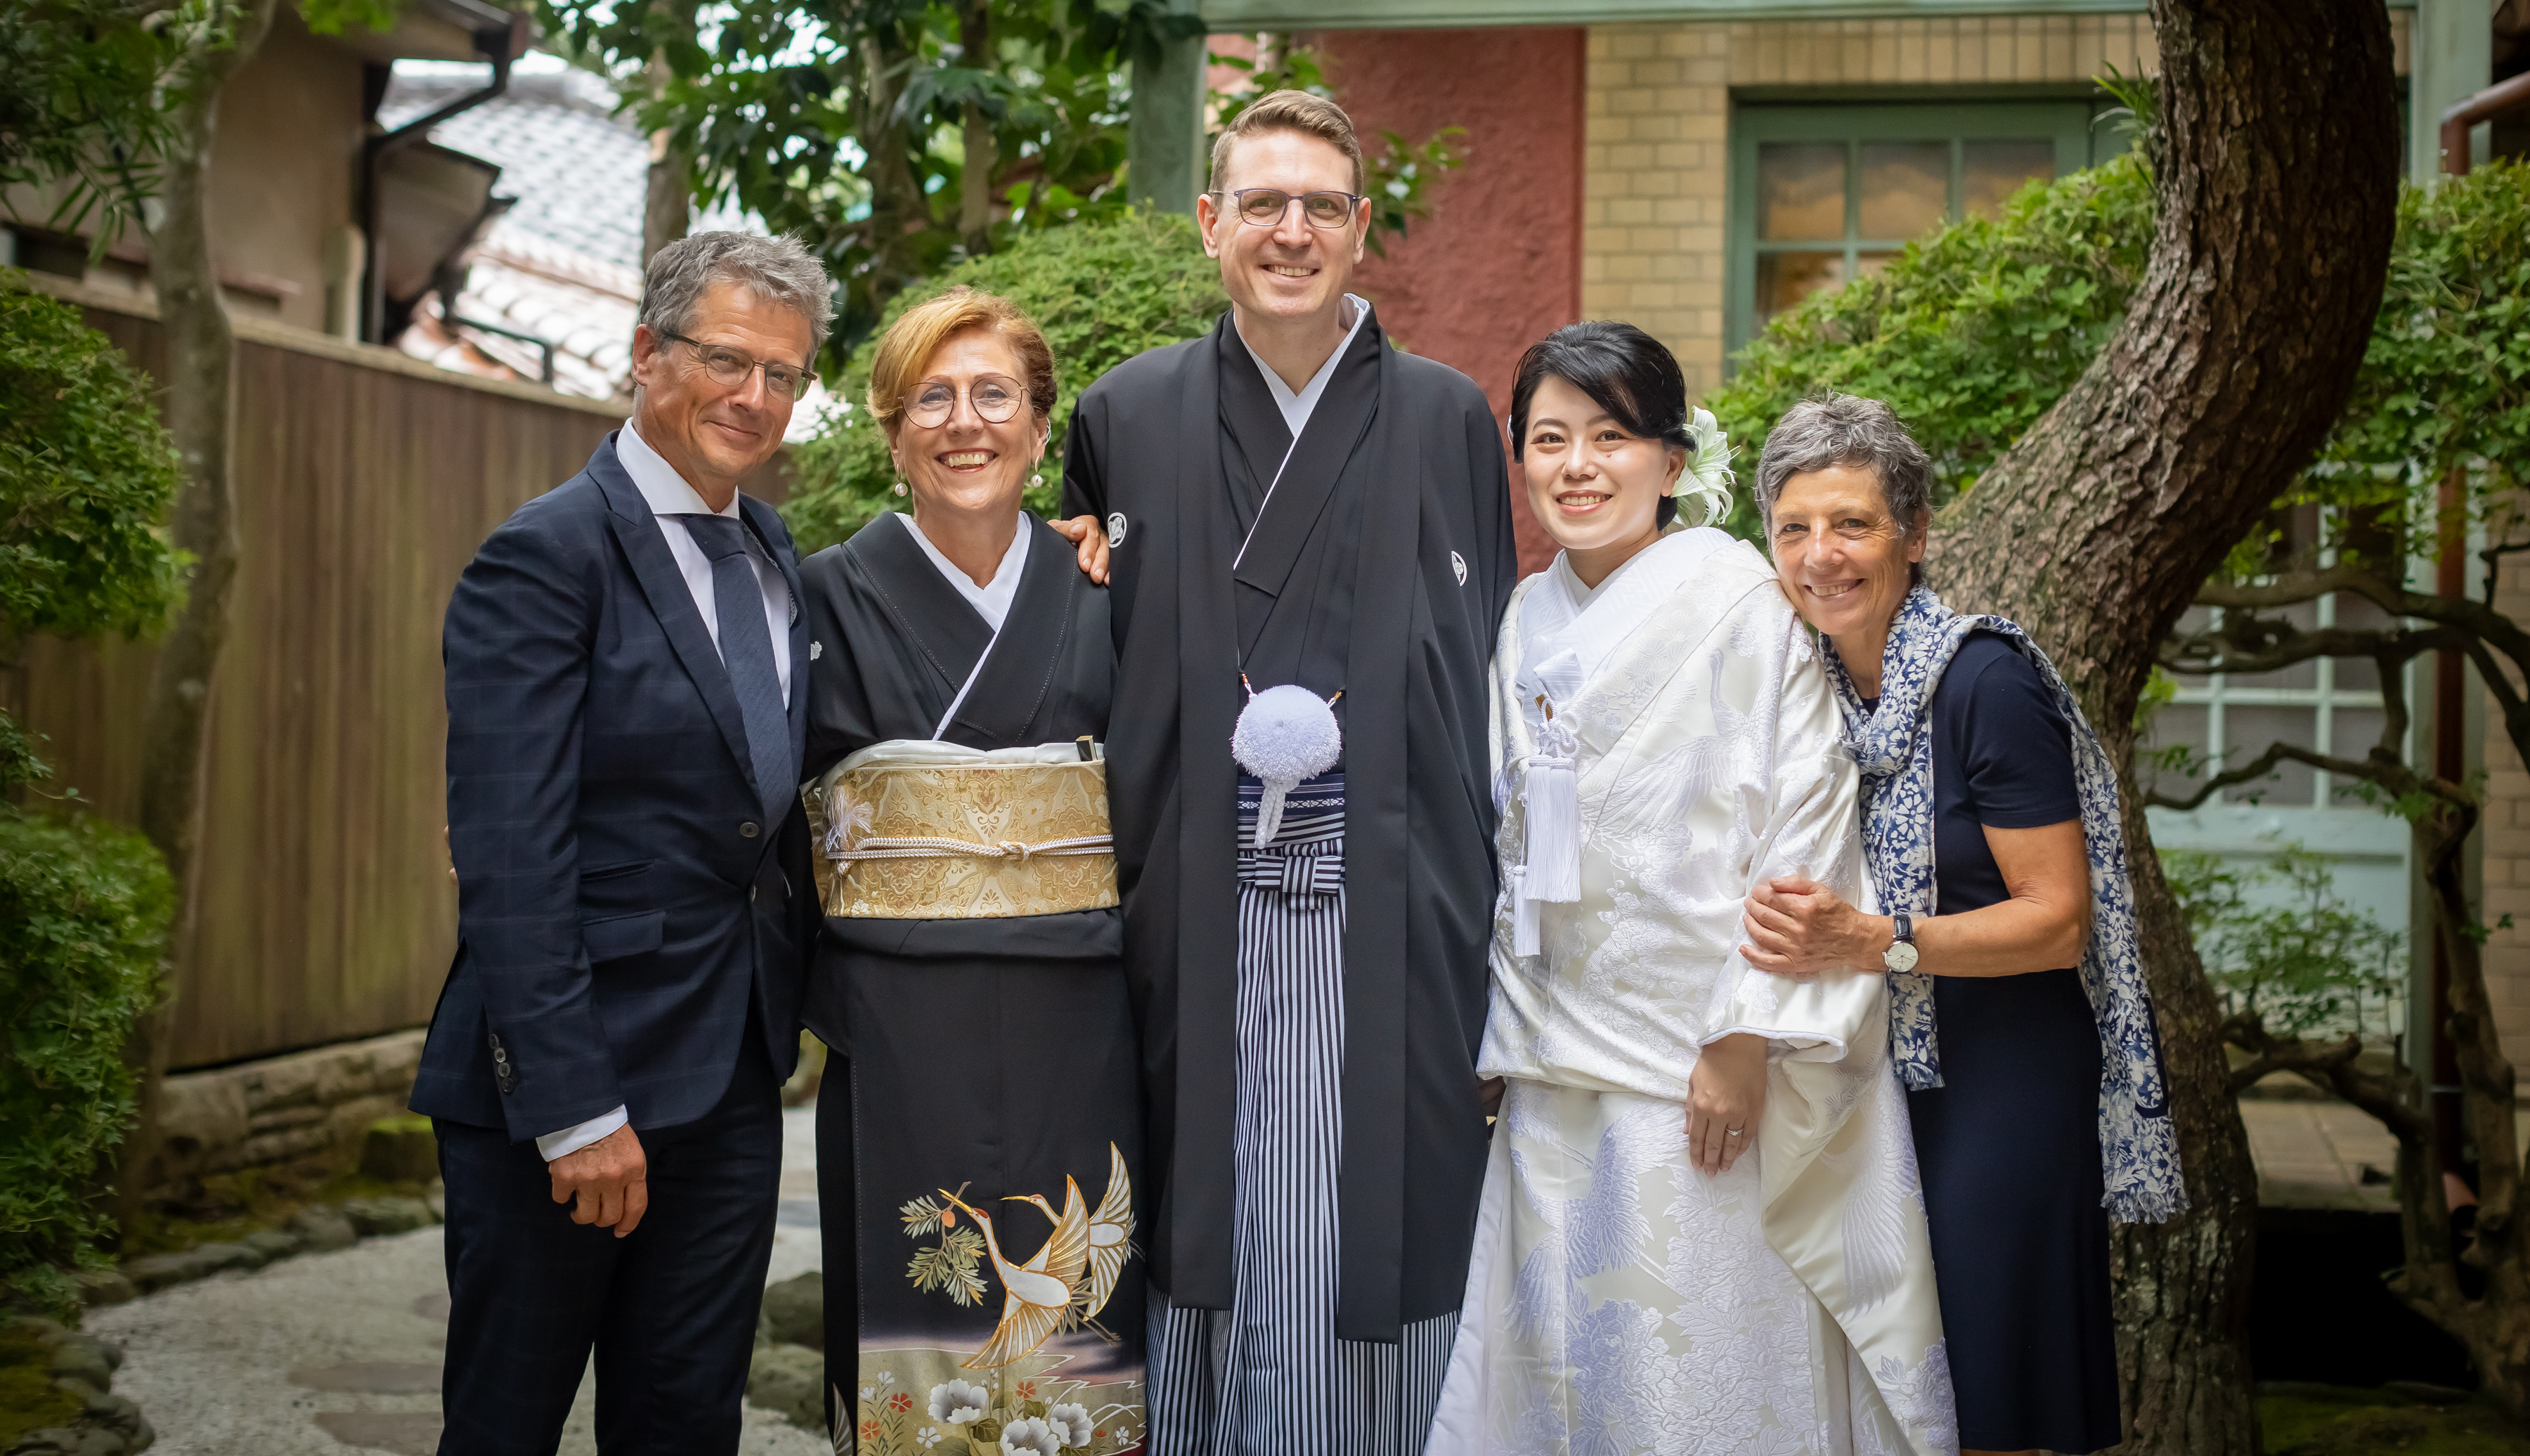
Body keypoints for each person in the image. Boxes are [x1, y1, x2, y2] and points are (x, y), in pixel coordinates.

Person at [1059, 88, 1518, 1451]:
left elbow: (1483, 656)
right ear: (1211, 223)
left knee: (1370, 1195)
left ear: (1362, 230)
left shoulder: (1444, 417)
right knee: (1208, 1191)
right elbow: (1097, 638)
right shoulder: (1124, 412)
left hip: (1395, 893)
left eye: (1322, 204)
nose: (1292, 230)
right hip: (1190, 888)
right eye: (1262, 202)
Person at [1427, 325, 1957, 1456]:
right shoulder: (1523, 617)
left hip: (1696, 1066)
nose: (1577, 466)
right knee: (1557, 1369)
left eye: (1611, 438)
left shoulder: (1744, 601)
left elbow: (1806, 825)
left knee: (1691, 1370)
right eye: (1549, 438)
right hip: (1551, 1057)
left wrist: (1748, 1034)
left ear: (1673, 461)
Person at [414, 231, 827, 1456]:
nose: (755, 398)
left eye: (785, 375)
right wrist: (576, 1107)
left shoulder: (773, 555)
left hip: (734, 1079)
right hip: (569, 1091)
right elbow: (509, 855)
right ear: (647, 355)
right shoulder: (546, 556)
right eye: (727, 360)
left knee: (685, 1426)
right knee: (506, 1425)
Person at [1740, 392, 2186, 1456]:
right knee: (1898, 1393)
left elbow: (2057, 922)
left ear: (1917, 534)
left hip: (2005, 1080)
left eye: (1851, 524)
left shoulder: (1983, 681)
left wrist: (1875, 940)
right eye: (1795, 528)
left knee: (1993, 1397)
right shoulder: (1804, 693)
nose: (1821, 555)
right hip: (1872, 1077)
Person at [794, 288, 1143, 1450]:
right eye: (929, 399)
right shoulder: (822, 594)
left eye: (996, 395)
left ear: (1043, 429)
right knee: (915, 1324)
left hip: (1082, 1017)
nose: (966, 423)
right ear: (892, 434)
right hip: (901, 1020)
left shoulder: (1106, 589)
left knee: (1081, 1328)